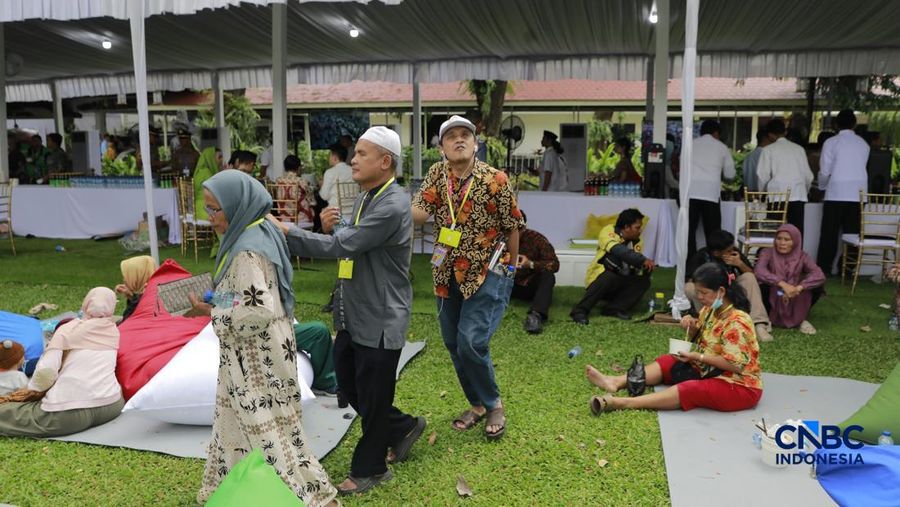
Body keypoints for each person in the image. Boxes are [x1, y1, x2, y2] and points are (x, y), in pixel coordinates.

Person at [274, 126, 424, 495]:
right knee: (351, 387)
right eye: (354, 153)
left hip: (381, 315)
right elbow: (352, 238)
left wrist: (290, 231)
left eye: (361, 154)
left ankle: (371, 468)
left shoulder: (392, 203)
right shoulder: (367, 197)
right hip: (354, 311)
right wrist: (333, 224)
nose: (352, 160)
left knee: (373, 398)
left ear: (385, 162)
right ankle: (403, 427)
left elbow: (347, 244)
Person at [189, 170, 337, 505]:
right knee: (247, 421)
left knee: (265, 427)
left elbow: (255, 311)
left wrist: (212, 313)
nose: (210, 217)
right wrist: (215, 300)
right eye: (208, 209)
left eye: (215, 209)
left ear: (237, 205)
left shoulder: (245, 249)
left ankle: (296, 495)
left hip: (256, 357)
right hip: (272, 345)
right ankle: (236, 489)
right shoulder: (261, 228)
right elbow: (254, 296)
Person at [412, 115, 524, 441]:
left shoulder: (494, 179)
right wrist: (390, 210)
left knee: (471, 341)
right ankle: (476, 404)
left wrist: (511, 269)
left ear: (475, 144)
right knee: (452, 342)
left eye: (465, 135)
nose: (458, 140)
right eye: (451, 137)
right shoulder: (437, 175)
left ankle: (494, 404)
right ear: (442, 146)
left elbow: (512, 225)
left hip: (487, 269)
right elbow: (419, 211)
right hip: (446, 270)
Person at [586, 262, 762, 414]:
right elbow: (699, 340)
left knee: (691, 389)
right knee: (668, 361)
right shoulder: (709, 310)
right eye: (698, 292)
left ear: (721, 291)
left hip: (739, 385)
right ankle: (615, 382)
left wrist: (697, 357)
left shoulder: (738, 321)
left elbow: (735, 365)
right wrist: (692, 327)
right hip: (707, 370)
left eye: (704, 293)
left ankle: (623, 403)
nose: (699, 297)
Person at [0, 288, 124, 437]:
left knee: (7, 412)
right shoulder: (113, 330)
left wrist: (29, 392)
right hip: (112, 405)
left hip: (69, 413)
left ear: (86, 304)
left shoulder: (68, 329)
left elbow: (46, 373)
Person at [569, 208, 654, 324]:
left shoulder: (638, 241)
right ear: (626, 227)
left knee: (644, 281)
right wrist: (642, 260)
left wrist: (645, 269)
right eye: (637, 227)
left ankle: (614, 309)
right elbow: (618, 250)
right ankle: (580, 311)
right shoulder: (609, 231)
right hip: (599, 279)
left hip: (621, 280)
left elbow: (634, 264)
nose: (640, 231)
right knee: (610, 275)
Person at [685, 230, 773, 341]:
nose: (733, 250)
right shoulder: (702, 256)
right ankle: (705, 322)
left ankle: (759, 324)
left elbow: (751, 274)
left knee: (749, 278)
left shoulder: (734, 253)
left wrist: (739, 264)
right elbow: (691, 278)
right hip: (712, 294)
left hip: (732, 291)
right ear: (716, 253)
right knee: (689, 287)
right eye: (728, 250)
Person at [816, 109, 869, 274]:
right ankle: (847, 269)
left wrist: (821, 187)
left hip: (836, 192)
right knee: (853, 235)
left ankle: (824, 269)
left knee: (829, 234)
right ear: (854, 124)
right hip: (858, 193)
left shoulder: (831, 142)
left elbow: (825, 171)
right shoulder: (863, 144)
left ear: (835, 125)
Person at [753, 224, 825, 334]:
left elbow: (819, 274)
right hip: (775, 292)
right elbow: (759, 271)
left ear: (795, 241)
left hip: (793, 294)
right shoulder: (767, 253)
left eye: (787, 240)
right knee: (764, 286)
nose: (782, 243)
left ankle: (800, 319)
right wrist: (782, 284)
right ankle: (767, 318)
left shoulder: (802, 256)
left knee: (817, 286)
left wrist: (799, 288)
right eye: (779, 239)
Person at [687, 120, 736, 258]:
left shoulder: (690, 145)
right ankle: (713, 260)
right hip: (711, 194)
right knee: (713, 232)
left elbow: (681, 167)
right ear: (716, 133)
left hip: (690, 192)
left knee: (689, 231)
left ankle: (691, 262)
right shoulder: (721, 147)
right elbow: (730, 174)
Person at [756, 119, 814, 233]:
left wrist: (761, 194)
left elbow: (762, 176)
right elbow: (808, 176)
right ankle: (797, 251)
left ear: (770, 135)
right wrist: (804, 191)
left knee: (774, 232)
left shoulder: (768, 150)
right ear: (785, 132)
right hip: (797, 194)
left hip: (777, 195)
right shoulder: (799, 149)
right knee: (796, 233)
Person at [512, 212, 559, 334]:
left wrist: (530, 264)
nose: (514, 235)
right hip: (503, 284)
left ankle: (535, 316)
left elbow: (554, 264)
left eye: (518, 230)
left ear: (524, 227)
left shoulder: (537, 239)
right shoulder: (497, 238)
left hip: (526, 284)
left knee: (548, 276)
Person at [292, 322, 338, 395]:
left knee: (319, 330)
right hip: (272, 331)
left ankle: (327, 380)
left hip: (279, 324)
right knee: (320, 332)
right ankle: (325, 383)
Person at [115, 256, 159, 325]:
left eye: (126, 276)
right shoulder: (155, 291)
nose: (123, 280)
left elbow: (128, 325)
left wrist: (134, 300)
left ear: (137, 276)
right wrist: (132, 297)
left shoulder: (146, 303)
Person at [192, 147, 222, 221]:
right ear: (210, 158)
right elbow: (217, 193)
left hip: (198, 208)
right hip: (205, 209)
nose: (222, 160)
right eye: (219, 157)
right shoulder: (207, 173)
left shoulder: (201, 171)